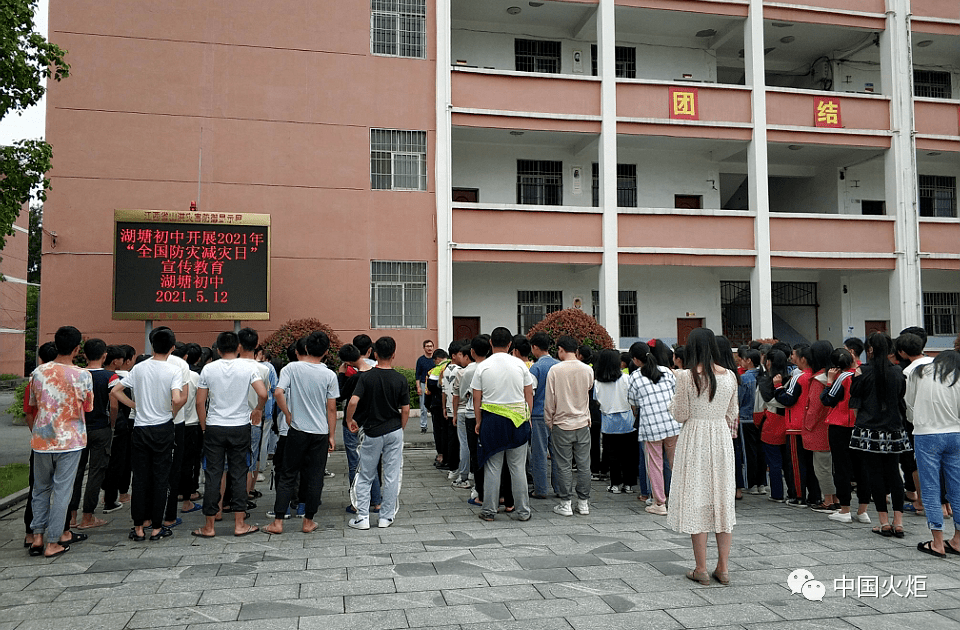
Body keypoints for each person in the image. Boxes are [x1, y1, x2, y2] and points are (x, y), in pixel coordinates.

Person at [667, 328, 738, 586]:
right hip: (720, 438)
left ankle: (701, 568)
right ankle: (724, 567)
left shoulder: (686, 376)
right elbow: (732, 412)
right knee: (721, 500)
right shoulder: (730, 375)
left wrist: (672, 405)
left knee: (697, 497)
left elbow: (680, 413)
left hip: (695, 437)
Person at [110, 328, 185, 542]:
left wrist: (135, 405)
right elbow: (178, 398)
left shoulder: (139, 368)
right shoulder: (173, 370)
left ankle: (138, 527)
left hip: (140, 428)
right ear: (172, 347)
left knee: (140, 478)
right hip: (163, 427)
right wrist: (172, 410)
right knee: (161, 478)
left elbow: (115, 391)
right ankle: (157, 527)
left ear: (152, 345)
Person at [191, 331, 267, 538]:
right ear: (239, 348)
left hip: (215, 426)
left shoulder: (208, 369)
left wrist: (205, 427)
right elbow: (263, 393)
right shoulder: (247, 367)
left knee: (213, 474)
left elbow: (200, 402)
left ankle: (209, 525)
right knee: (239, 473)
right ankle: (240, 523)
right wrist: (258, 409)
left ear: (217, 349)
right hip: (240, 426)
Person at [26, 328, 94, 558]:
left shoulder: (38, 372)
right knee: (62, 490)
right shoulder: (83, 375)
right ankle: (54, 540)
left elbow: (34, 403)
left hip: (42, 439)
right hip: (71, 440)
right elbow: (88, 407)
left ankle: (37, 536)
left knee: (40, 489)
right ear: (77, 349)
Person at [263, 330, 339, 535]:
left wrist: (288, 413)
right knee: (314, 476)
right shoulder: (329, 374)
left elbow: (278, 391)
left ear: (305, 348)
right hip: (320, 433)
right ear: (326, 351)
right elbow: (331, 409)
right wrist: (331, 435)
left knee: (287, 474)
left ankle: (278, 522)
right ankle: (308, 521)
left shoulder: (291, 368)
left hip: (297, 430)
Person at [345, 336, 410, 529]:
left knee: (366, 474)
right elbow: (405, 409)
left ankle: (362, 518)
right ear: (394, 354)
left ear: (374, 353)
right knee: (391, 475)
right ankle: (386, 517)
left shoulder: (366, 377)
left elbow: (353, 402)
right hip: (394, 430)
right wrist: (401, 427)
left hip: (372, 431)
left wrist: (350, 420)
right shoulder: (400, 378)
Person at [850, 332, 910, 538]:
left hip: (869, 429)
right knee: (894, 473)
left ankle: (883, 522)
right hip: (894, 428)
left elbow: (855, 398)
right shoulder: (898, 372)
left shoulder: (862, 371)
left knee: (874, 474)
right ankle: (899, 522)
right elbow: (901, 397)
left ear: (870, 350)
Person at [473, 327, 534, 522]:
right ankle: (523, 511)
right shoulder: (520, 365)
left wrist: (479, 421)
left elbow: (476, 397)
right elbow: (528, 394)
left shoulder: (483, 366)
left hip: (492, 420)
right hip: (517, 420)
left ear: (491, 342)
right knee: (517, 468)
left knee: (492, 467)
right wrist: (528, 417)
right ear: (510, 345)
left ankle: (489, 510)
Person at [907, 350, 960, 557]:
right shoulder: (958, 375)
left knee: (930, 487)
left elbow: (909, 403)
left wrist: (917, 419)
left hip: (926, 433)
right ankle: (957, 540)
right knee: (956, 487)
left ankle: (937, 541)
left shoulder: (919, 373)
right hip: (956, 433)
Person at [627, 341, 680, 516]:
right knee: (676, 463)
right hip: (673, 424)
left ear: (635, 359)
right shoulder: (667, 371)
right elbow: (675, 394)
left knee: (655, 465)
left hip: (651, 427)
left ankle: (660, 502)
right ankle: (681, 499)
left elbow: (633, 401)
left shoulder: (634, 377)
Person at [544, 336, 595, 517]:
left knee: (563, 465)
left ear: (561, 349)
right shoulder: (587, 370)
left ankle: (565, 503)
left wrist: (549, 421)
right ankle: (583, 503)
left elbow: (549, 400)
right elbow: (588, 391)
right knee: (583, 465)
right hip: (582, 423)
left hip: (561, 423)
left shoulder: (555, 370)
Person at [821, 347, 871, 524]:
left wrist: (829, 381)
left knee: (842, 467)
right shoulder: (863, 372)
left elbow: (828, 399)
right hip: (861, 425)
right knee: (863, 467)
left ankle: (845, 510)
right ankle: (863, 510)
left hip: (840, 425)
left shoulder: (842, 378)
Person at [75, 340, 121, 530]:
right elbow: (115, 404)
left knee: (75, 472)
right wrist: (111, 424)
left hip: (78, 428)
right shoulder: (110, 377)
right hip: (101, 428)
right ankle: (87, 516)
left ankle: (71, 516)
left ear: (84, 355)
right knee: (96, 472)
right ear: (104, 356)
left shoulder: (76, 375)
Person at [337, 344, 380, 515]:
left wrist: (341, 374)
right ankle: (377, 502)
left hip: (354, 423)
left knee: (355, 463)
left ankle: (356, 502)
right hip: (372, 423)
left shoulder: (355, 378)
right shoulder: (375, 373)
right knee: (372, 462)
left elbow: (340, 395)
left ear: (347, 362)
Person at [594, 349, 637, 496]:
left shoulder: (598, 382)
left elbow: (597, 402)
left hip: (608, 422)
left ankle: (615, 484)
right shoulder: (626, 378)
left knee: (612, 455)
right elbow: (632, 399)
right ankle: (629, 484)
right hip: (627, 421)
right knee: (628, 455)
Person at [102, 344, 135, 511]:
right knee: (118, 462)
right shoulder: (115, 378)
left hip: (96, 425)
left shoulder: (88, 374)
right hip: (119, 425)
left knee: (101, 463)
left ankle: (102, 494)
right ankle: (111, 498)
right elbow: (115, 404)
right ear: (116, 361)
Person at [528, 332, 558, 499]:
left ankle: (540, 489)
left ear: (535, 347)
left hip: (539, 415)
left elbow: (530, 393)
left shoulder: (536, 368)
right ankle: (560, 488)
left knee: (539, 453)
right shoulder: (559, 365)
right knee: (558, 454)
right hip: (558, 415)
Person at [738, 349, 765, 495]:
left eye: (742, 359)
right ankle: (761, 483)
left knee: (748, 452)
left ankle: (751, 483)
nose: (741, 361)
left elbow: (739, 400)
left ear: (748, 360)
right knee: (760, 451)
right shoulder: (763, 376)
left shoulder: (745, 379)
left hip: (746, 418)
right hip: (761, 418)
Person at [415, 340, 435, 432]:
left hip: (434, 385)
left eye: (431, 346)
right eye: (427, 346)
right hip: (424, 384)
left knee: (435, 406)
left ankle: (436, 425)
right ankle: (423, 426)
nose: (429, 348)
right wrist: (418, 387)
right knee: (423, 407)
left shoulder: (435, 359)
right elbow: (417, 375)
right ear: (424, 348)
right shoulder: (420, 360)